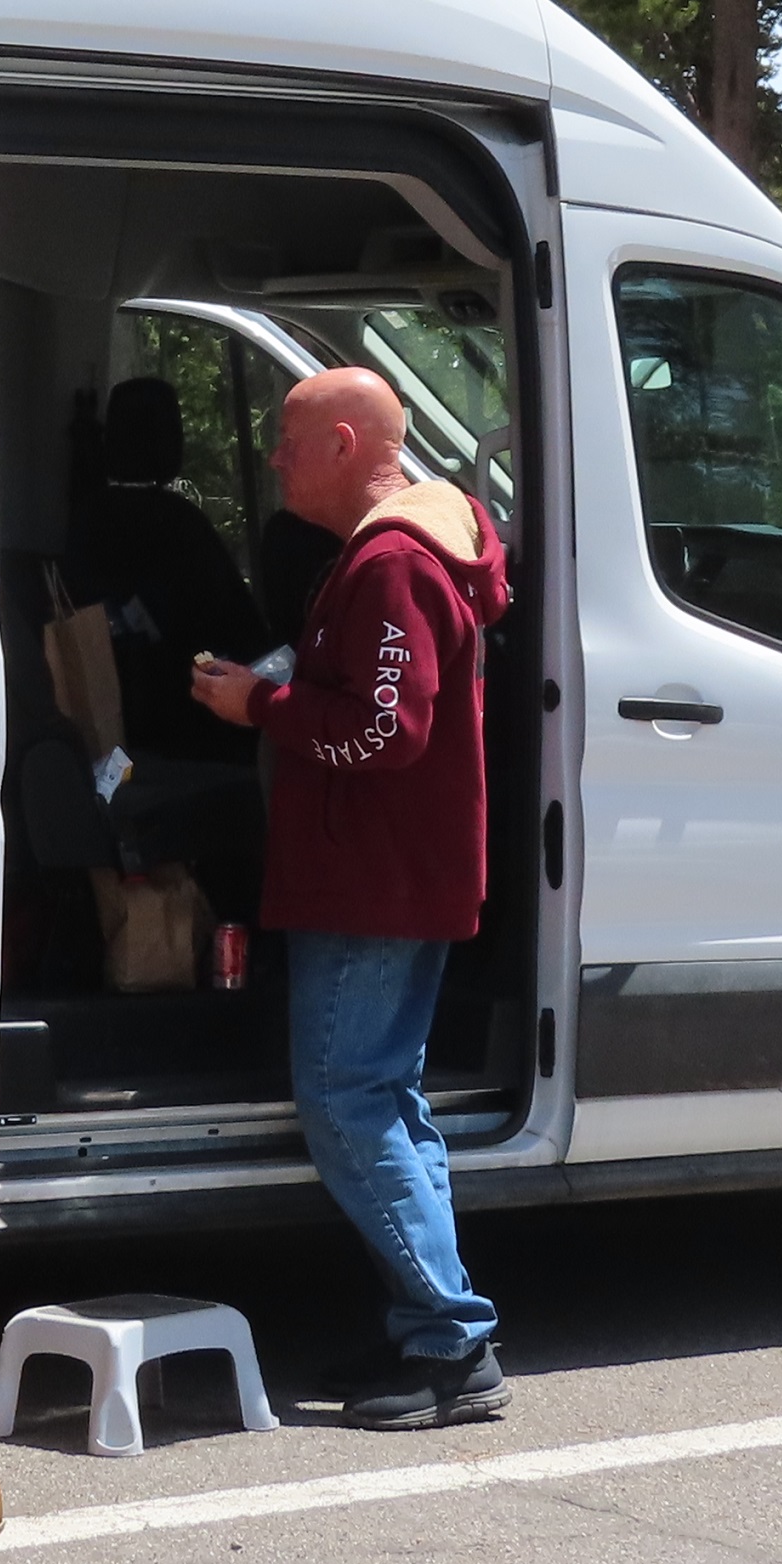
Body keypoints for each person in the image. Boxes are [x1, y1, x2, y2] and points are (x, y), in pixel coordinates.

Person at [191, 366, 511, 1429]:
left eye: (287, 439)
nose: (275, 457)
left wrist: (262, 701)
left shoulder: (390, 564)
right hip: (395, 874)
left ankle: (454, 1341)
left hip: (373, 881)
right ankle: (429, 1328)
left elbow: (386, 729)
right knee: (390, 1097)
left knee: (349, 1101)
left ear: (341, 441)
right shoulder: (404, 554)